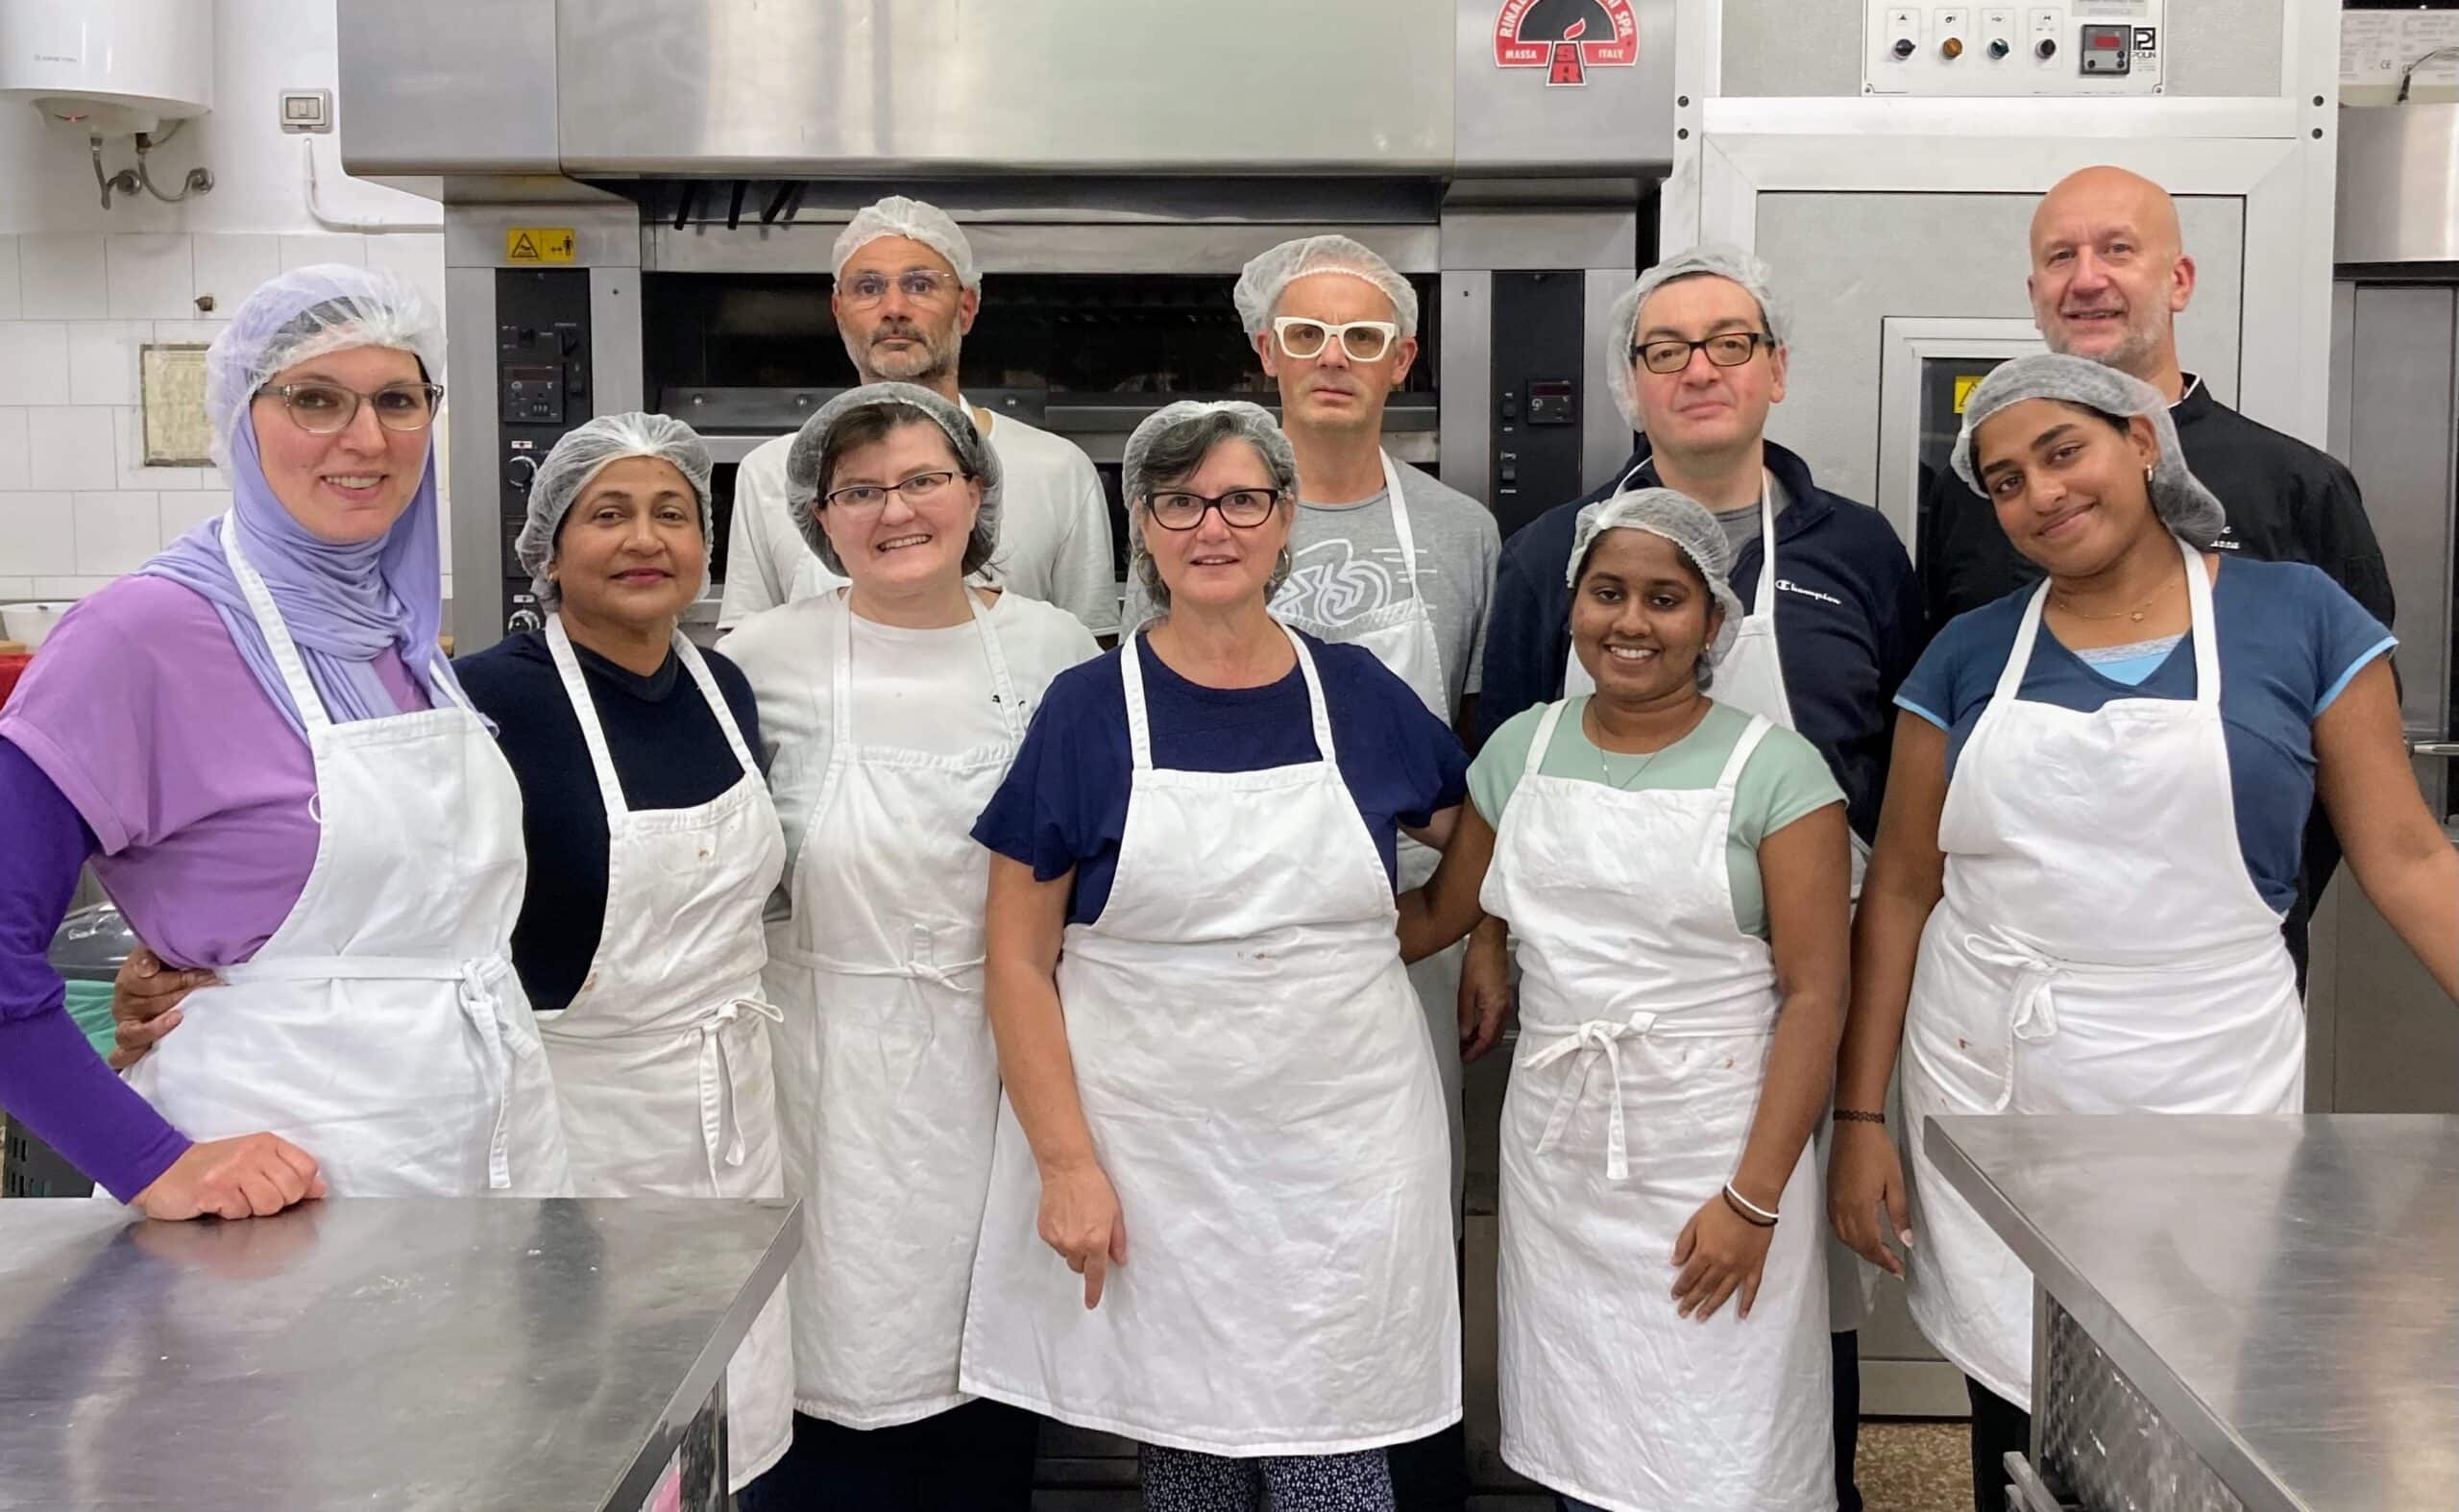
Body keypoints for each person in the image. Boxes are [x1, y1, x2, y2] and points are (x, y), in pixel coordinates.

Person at [110, 410, 799, 1495]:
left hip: (729, 1107)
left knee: (720, 1408)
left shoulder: (727, 689)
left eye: (672, 514)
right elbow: (378, 878)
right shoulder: (481, 697)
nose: (644, 539)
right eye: (607, 514)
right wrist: (197, 961)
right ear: (547, 552)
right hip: (570, 1110)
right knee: (584, 1417)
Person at [1830, 354, 2459, 1512]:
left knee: (2198, 1392)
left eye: (2062, 452)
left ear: (2140, 443)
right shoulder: (1968, 650)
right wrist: (1860, 1115)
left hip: (2205, 1073)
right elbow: (1905, 888)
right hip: (1995, 1075)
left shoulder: (2298, 615)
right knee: (2019, 1410)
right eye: (2005, 481)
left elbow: (2409, 857)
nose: (2040, 493)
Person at [1473, 246, 1923, 1510]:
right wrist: (1492, 937)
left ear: (1776, 369)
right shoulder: (1547, 552)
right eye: (1665, 349)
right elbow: (1506, 763)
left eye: (1731, 341)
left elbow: (1902, 775)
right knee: (1605, 1345)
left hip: (1807, 988)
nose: (1701, 369)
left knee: (1796, 1296)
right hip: (1602, 999)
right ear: (1631, 384)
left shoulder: (1858, 549)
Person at [963, 401, 1467, 1512]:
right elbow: (1016, 959)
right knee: (1191, 1438)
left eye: (1242, 499)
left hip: (1342, 1148)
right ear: (1143, 527)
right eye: (1180, 502)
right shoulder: (1088, 708)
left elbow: (1475, 829)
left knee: (1336, 1437)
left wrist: (1419, 932)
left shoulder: (1356, 694)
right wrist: (1067, 1164)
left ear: (1285, 519)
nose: (1213, 527)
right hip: (1162, 1148)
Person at [0, 266, 570, 1215]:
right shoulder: (140, 635)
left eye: (398, 400)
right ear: (242, 417)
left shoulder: (397, 635)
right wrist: (151, 1162)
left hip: (477, 1159)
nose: (367, 438)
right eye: (315, 398)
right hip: (271, 1197)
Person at [1123, 248, 1494, 1503]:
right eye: (1306, 332)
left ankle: (1399, 1472)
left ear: (1405, 358)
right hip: (1212, 938)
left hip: (1396, 938)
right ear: (1263, 353)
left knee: (1391, 1225)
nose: (1333, 357)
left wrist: (1468, 931)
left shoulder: (1462, 532)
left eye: (1363, 335)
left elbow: (1483, 766)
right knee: (1220, 1222)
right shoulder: (1200, 510)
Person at [1399, 486, 1850, 1512]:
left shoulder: (1776, 772)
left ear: (1712, 622)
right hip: (1561, 1162)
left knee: (1723, 1448)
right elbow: (1440, 912)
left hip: (1717, 1150)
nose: (1631, 622)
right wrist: (1260, 930)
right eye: (1607, 593)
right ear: (1572, 606)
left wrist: (1753, 1200)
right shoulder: (1520, 749)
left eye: (1664, 599)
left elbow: (1817, 996)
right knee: (1585, 1446)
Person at [720, 383, 1100, 1510]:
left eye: (923, 480)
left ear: (976, 494)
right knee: (825, 1395)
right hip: (825, 1079)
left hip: (1006, 1067)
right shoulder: (759, 658)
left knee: (986, 1393)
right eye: (860, 491)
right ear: (819, 517)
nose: (896, 511)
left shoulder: (1054, 647)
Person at [1916, 165, 2396, 979]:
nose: (2086, 279)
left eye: (2117, 250)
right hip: (2009, 963)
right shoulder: (1971, 499)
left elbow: (2358, 768)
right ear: (2035, 295)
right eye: (2061, 257)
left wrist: (2252, 902)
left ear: (2179, 281)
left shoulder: (2294, 483)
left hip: (2225, 961)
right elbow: (1940, 730)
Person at [718, 195, 1117, 639]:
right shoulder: (769, 473)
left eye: (921, 285)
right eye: (868, 288)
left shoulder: (1058, 470)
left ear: (966, 309)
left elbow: (1089, 653)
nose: (894, 308)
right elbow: (748, 656)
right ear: (839, 313)